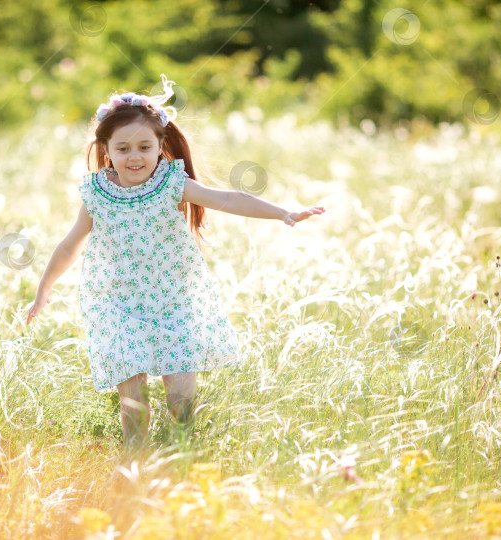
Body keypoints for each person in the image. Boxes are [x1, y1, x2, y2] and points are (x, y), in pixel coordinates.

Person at [25, 74, 325, 459]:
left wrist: (283, 212)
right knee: (133, 405)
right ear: (106, 150)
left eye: (145, 147)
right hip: (120, 307)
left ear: (160, 146)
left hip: (174, 303)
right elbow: (69, 245)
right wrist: (44, 289)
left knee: (181, 402)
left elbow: (228, 199)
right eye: (124, 148)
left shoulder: (170, 183)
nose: (135, 156)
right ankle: (135, 466)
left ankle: (182, 459)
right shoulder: (98, 193)